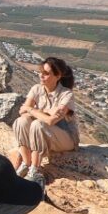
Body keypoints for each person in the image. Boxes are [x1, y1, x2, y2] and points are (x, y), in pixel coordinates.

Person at [9, 56, 79, 186]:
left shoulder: (66, 95)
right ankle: (26, 163)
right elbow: (22, 112)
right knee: (21, 122)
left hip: (67, 138)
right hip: (47, 133)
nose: (41, 76)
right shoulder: (37, 89)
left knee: (38, 124)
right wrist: (38, 112)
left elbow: (50, 120)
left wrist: (31, 110)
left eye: (46, 74)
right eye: (41, 72)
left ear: (58, 76)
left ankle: (34, 170)